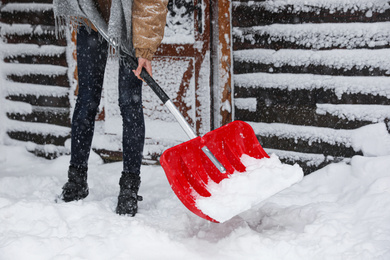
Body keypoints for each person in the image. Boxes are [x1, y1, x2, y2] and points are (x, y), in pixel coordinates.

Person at [53, 0, 168, 216]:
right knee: (87, 99)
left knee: (129, 103)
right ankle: (76, 180)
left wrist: (145, 50)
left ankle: (129, 189)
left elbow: (152, 3)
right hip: (93, 18)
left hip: (130, 23)